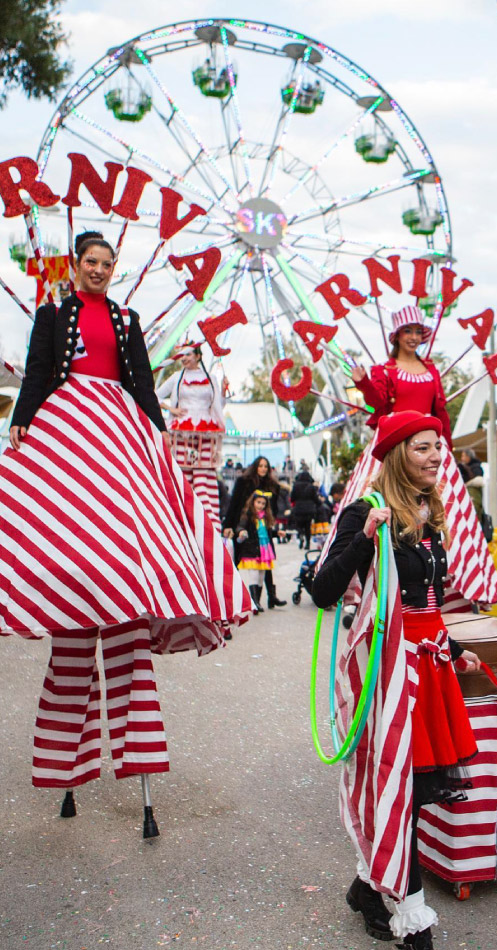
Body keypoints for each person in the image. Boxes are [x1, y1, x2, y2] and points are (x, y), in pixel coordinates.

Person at [0, 230, 248, 814]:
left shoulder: (128, 318)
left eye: (108, 264)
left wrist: (157, 433)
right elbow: (38, 371)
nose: (99, 270)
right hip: (69, 424)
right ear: (76, 265)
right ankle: (62, 588)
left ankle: (137, 587)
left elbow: (138, 381)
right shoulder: (53, 314)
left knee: (131, 533)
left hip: (118, 425)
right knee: (67, 528)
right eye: (91, 262)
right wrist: (23, 419)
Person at [312, 411, 480, 950]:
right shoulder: (368, 509)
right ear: (395, 455)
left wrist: (454, 649)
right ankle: (415, 924)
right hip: (387, 675)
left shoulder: (431, 511)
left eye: (438, 448)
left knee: (415, 792)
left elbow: (426, 602)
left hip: (429, 668)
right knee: (397, 790)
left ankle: (366, 889)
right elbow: (324, 590)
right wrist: (361, 539)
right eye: (422, 448)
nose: (435, 457)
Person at [333, 306, 497, 607]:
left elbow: (440, 414)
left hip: (430, 445)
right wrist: (362, 383)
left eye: (417, 332)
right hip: (396, 445)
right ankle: (374, 583)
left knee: (447, 513)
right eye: (407, 331)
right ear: (396, 336)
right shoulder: (384, 371)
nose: (413, 337)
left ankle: (457, 583)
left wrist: (446, 449)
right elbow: (378, 403)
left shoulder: (431, 370)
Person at [156, 341, 228, 524]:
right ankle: (181, 517)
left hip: (206, 432)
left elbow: (218, 405)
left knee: (204, 476)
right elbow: (155, 395)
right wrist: (170, 410)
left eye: (188, 354)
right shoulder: (177, 377)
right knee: (183, 473)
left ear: (198, 356)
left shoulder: (210, 378)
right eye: (182, 355)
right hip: (182, 431)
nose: (184, 358)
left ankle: (208, 520)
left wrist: (224, 392)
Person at [224, 456, 288, 608]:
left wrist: (272, 524)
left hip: (264, 528)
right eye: (260, 466)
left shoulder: (271, 485)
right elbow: (234, 504)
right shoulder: (243, 482)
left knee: (265, 561)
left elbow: (275, 507)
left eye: (266, 466)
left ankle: (269, 596)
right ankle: (232, 596)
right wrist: (228, 525)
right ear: (255, 467)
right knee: (239, 561)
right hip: (243, 526)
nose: (263, 469)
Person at [233, 489, 283, 614]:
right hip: (252, 548)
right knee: (254, 575)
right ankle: (254, 603)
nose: (260, 505)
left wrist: (277, 533)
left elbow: (268, 532)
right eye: (258, 502)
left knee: (261, 576)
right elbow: (240, 526)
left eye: (263, 503)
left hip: (264, 548)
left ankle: (257, 603)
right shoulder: (248, 515)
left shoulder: (266, 517)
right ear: (253, 502)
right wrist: (241, 532)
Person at [289, 470, 319, 549]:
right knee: (307, 526)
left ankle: (301, 536)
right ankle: (308, 543)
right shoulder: (311, 486)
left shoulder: (296, 486)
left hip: (299, 509)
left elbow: (292, 498)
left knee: (299, 525)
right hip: (309, 509)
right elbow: (315, 499)